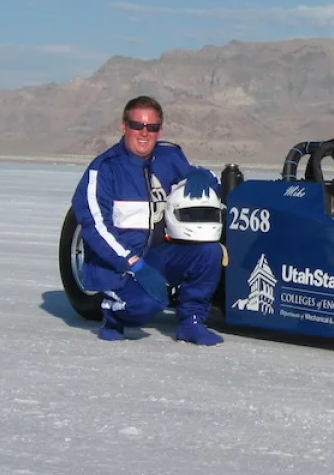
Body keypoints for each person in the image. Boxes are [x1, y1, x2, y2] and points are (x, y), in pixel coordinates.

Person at [71, 95, 225, 345]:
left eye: (152, 127)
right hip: (119, 265)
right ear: (124, 126)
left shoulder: (170, 156)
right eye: (137, 125)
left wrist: (205, 178)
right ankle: (113, 313)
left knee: (209, 252)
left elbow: (207, 182)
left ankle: (191, 322)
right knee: (147, 305)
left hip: (161, 253)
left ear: (159, 130)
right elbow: (94, 226)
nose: (144, 133)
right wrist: (133, 263)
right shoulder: (105, 169)